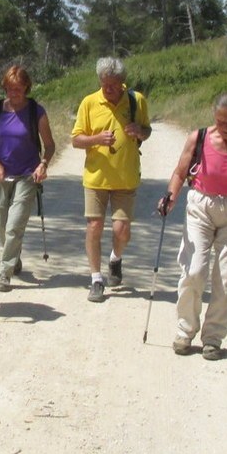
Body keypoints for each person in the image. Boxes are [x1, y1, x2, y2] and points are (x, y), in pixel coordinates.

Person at [157, 91, 227, 360]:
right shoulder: (199, 138)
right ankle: (185, 330)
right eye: (220, 121)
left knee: (226, 276)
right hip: (200, 205)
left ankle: (213, 338)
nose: (225, 128)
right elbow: (180, 172)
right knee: (194, 270)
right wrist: (170, 197)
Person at [71, 57, 152, 302]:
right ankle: (96, 279)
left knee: (122, 230)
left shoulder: (136, 100)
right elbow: (75, 139)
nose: (109, 90)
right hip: (96, 177)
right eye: (105, 85)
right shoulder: (89, 102)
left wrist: (140, 131)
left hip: (126, 176)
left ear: (122, 83)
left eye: (114, 85)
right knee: (94, 226)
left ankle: (115, 259)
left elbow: (147, 130)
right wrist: (96, 140)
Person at [0, 65, 56, 293]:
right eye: (10, 88)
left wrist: (43, 165)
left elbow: (50, 145)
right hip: (1, 173)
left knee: (14, 226)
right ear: (5, 87)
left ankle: (5, 272)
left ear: (26, 87)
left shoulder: (36, 111)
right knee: (0, 222)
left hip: (27, 175)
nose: (14, 93)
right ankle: (14, 256)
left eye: (19, 89)